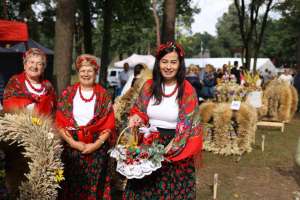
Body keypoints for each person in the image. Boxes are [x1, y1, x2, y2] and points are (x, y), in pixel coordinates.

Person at [123, 42, 202, 199]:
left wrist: (167, 150)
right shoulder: (148, 87)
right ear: (158, 63)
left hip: (177, 148)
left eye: (173, 62)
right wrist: (136, 118)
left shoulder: (187, 90)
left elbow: (188, 126)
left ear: (180, 65)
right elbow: (139, 111)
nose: (168, 66)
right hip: (148, 145)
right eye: (164, 61)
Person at [55, 54, 116, 200]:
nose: (86, 74)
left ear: (95, 72)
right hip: (71, 148)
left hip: (97, 150)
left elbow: (108, 124)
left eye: (90, 71)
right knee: (70, 187)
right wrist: (73, 143)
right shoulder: (67, 94)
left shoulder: (103, 95)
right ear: (78, 72)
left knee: (94, 188)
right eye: (82, 70)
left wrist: (95, 145)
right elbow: (60, 122)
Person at [3, 48, 56, 116]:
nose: (34, 66)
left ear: (43, 68)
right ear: (25, 65)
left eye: (39, 64)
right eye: (31, 62)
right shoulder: (16, 82)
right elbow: (8, 105)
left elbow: (54, 109)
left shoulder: (48, 86)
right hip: (19, 124)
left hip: (45, 125)